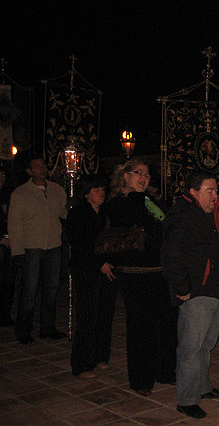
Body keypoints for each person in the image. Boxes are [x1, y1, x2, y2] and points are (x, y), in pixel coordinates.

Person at [162, 170, 219, 419]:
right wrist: (182, 288)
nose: (216, 195)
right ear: (193, 192)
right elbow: (172, 254)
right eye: (210, 190)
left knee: (206, 343)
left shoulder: (206, 214)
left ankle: (203, 388)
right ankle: (187, 399)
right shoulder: (182, 214)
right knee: (191, 348)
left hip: (212, 288)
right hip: (196, 291)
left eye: (216, 189)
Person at [107, 159, 177, 396]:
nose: (144, 178)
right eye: (139, 173)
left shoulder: (152, 201)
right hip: (135, 274)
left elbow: (164, 227)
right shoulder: (118, 203)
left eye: (147, 175)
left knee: (165, 324)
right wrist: (141, 197)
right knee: (140, 328)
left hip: (159, 271)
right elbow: (133, 220)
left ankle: (165, 371)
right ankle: (141, 379)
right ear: (125, 176)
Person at [8, 157, 68, 344]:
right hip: (32, 246)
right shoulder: (21, 193)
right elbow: (14, 223)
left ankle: (47, 327)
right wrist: (18, 251)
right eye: (36, 167)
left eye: (43, 166)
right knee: (29, 291)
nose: (41, 169)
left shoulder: (57, 190)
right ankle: (24, 330)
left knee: (51, 289)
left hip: (53, 246)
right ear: (29, 171)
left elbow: (64, 214)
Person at [67, 175, 118, 379]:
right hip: (87, 269)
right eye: (96, 189)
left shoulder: (106, 213)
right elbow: (79, 245)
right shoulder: (78, 214)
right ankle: (82, 363)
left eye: (102, 189)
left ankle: (100, 356)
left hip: (108, 269)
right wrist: (99, 264)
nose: (101, 193)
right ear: (87, 193)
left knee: (105, 313)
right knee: (88, 314)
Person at [0, 167, 16, 326]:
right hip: (1, 242)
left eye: (3, 175)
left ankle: (5, 314)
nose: (1, 178)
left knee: (9, 279)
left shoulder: (10, 194)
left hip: (11, 241)